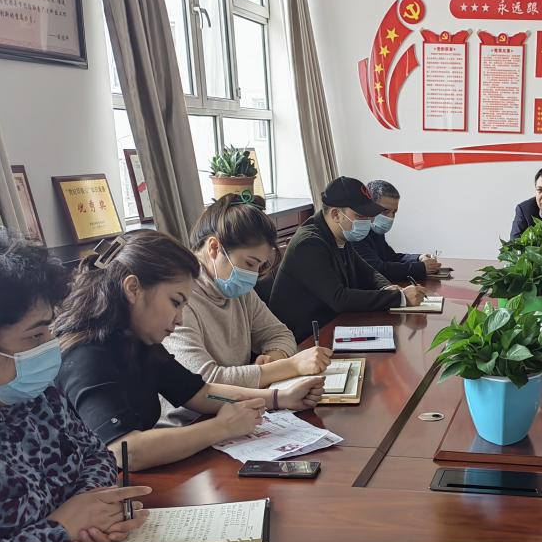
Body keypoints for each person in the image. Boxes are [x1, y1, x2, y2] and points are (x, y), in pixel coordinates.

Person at [54, 230, 323, 471]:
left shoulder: (138, 340)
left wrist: (280, 397)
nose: (180, 319)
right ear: (133, 289)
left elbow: (201, 393)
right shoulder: (86, 356)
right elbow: (126, 450)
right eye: (175, 302)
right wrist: (221, 427)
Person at [0, 228, 149, 542]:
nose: (51, 347)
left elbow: (96, 455)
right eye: (34, 337)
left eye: (50, 328)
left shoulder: (38, 395)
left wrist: (90, 512)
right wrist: (60, 529)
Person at [160, 193, 333, 426]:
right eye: (249, 263)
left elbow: (279, 333)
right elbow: (205, 382)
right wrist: (288, 366)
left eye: (259, 266)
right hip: (191, 423)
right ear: (214, 247)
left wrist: (274, 356)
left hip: (240, 409)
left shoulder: (236, 288)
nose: (252, 275)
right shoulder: (180, 298)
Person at [269, 176, 427, 341]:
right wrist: (400, 298)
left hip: (333, 324)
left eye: (368, 216)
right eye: (361, 216)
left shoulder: (340, 234)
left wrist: (387, 287)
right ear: (336, 214)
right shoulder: (309, 243)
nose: (367, 222)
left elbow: (368, 272)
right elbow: (339, 298)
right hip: (304, 338)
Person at [350, 179, 440, 283]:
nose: (390, 217)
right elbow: (377, 269)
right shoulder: (357, 232)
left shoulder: (376, 230)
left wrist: (419, 258)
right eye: (385, 211)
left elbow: (392, 257)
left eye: (394, 212)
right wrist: (420, 268)